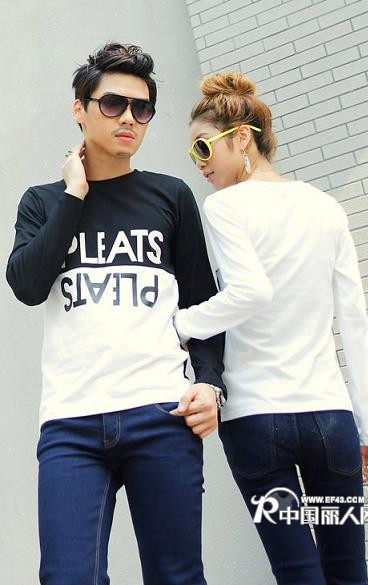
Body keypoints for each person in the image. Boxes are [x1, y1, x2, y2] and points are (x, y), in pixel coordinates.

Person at [6, 42, 226, 585]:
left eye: (141, 108)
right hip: (72, 424)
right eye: (112, 104)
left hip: (162, 415)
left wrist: (210, 383)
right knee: (67, 577)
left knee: (177, 576)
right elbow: (27, 286)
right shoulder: (42, 202)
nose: (128, 117)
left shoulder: (170, 197)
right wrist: (73, 196)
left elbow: (201, 301)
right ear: (80, 109)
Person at [173, 71, 368, 585]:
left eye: (204, 147)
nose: (199, 163)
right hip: (331, 422)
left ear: (242, 138)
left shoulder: (224, 206)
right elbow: (354, 322)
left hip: (257, 422)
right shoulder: (326, 207)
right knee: (349, 572)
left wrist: (178, 323)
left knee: (297, 572)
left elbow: (251, 292)